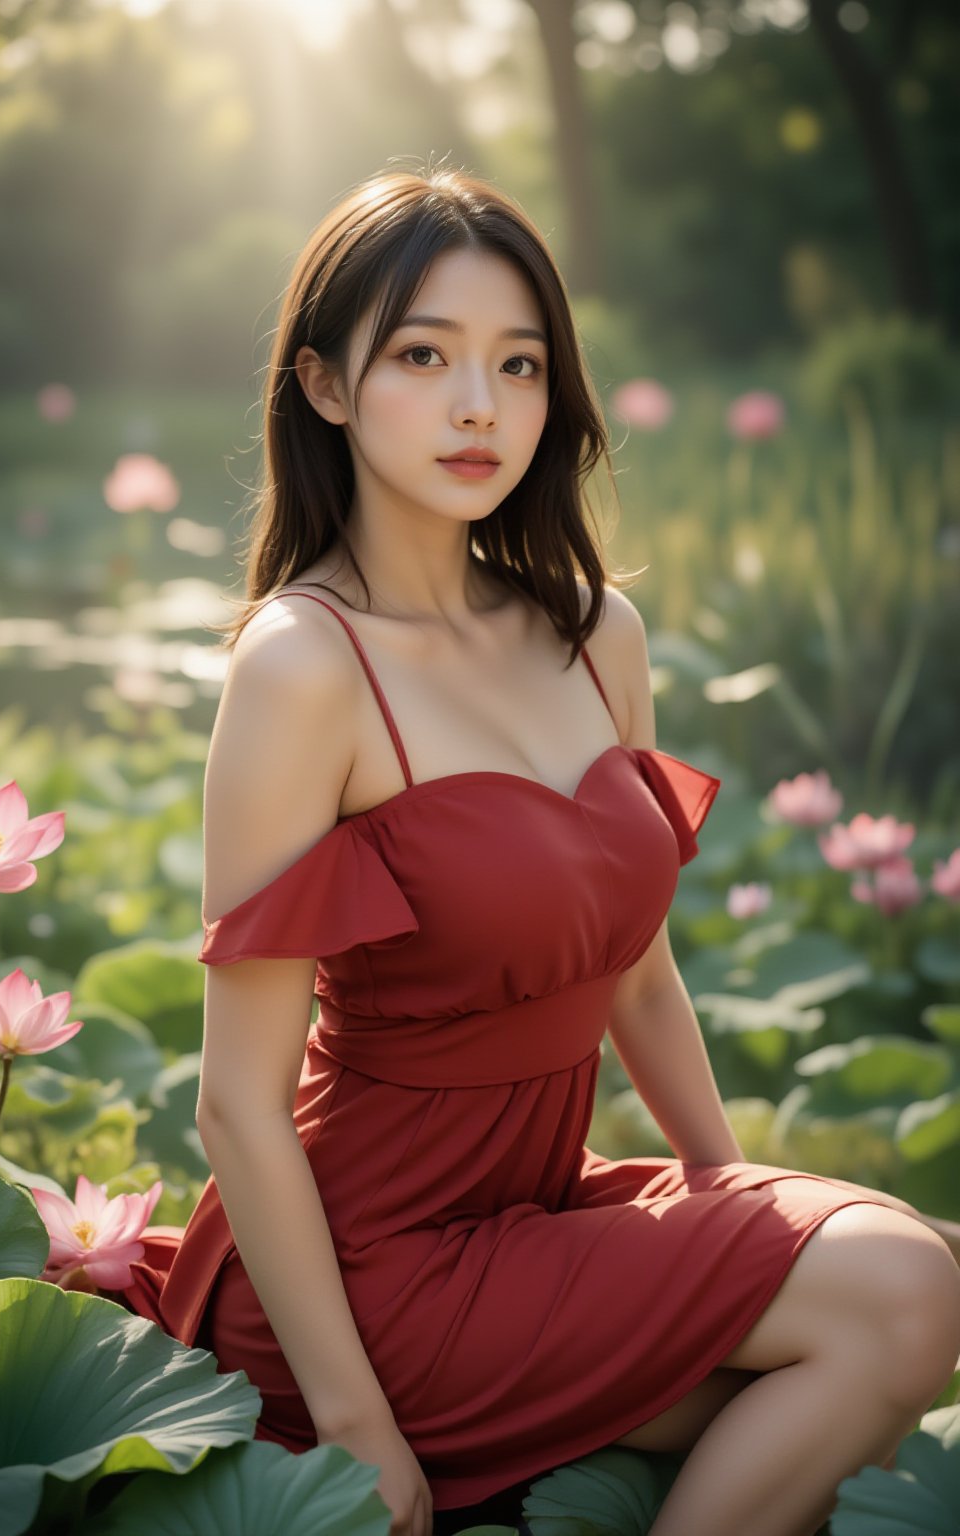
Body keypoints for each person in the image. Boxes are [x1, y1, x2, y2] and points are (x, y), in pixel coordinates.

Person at [115, 164, 960, 1536]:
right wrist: (353, 1423)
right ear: (326, 387)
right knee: (900, 1292)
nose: (478, 407)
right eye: (425, 357)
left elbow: (638, 977)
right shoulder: (304, 668)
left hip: (533, 1218)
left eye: (519, 365)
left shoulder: (593, 632)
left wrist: (727, 1198)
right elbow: (237, 1106)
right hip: (364, 1277)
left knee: (915, 1270)